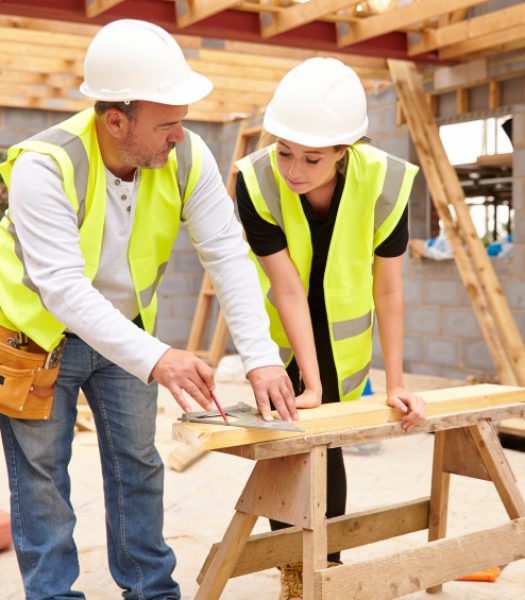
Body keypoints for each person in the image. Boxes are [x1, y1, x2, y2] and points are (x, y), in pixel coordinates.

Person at [0, 19, 297, 600]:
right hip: (34, 337)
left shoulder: (187, 156)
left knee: (138, 464)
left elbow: (229, 255)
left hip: (125, 332)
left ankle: (150, 590)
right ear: (116, 119)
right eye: (167, 123)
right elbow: (62, 288)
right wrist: (160, 358)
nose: (179, 136)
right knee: (41, 482)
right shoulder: (44, 166)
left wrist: (260, 357)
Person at [235, 57, 426, 599]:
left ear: (346, 150)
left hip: (345, 343)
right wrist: (308, 382)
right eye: (285, 151)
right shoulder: (256, 182)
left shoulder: (387, 182)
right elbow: (287, 285)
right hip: (280, 335)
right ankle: (294, 575)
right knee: (287, 446)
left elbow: (388, 287)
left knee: (330, 447)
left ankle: (328, 565)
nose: (293, 169)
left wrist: (396, 383)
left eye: (312, 158)